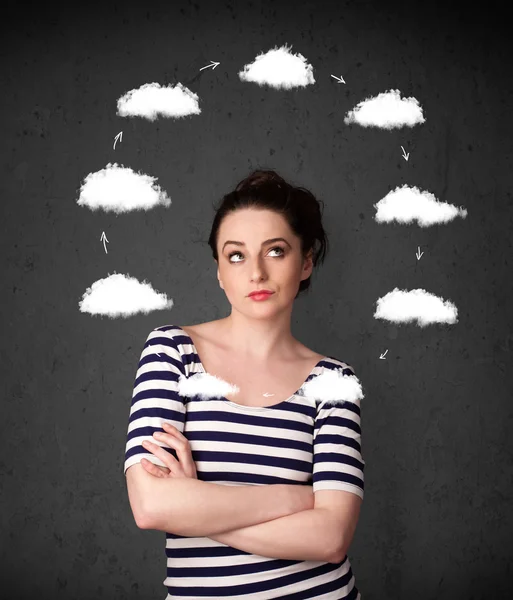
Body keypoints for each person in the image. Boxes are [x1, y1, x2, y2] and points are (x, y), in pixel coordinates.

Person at [124, 169, 365, 599]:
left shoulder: (335, 381)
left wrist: (197, 504)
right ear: (218, 269)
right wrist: (295, 499)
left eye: (275, 251)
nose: (255, 271)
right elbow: (152, 506)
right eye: (235, 255)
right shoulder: (172, 351)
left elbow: (330, 538)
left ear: (306, 262)